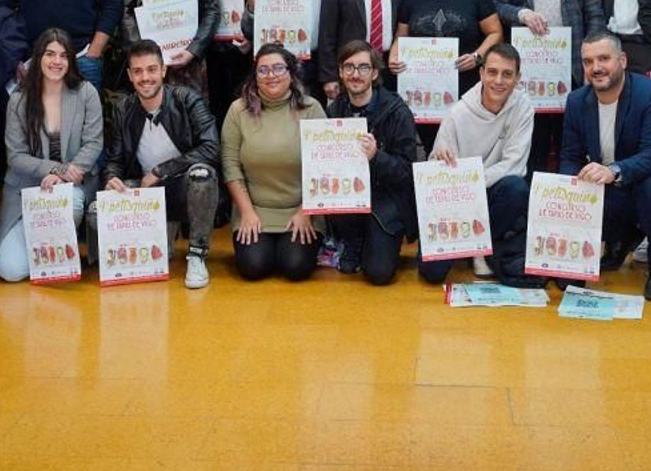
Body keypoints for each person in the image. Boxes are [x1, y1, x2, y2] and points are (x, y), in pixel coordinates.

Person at [557, 32, 651, 299]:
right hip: (611, 185)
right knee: (577, 185)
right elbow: (570, 156)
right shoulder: (577, 101)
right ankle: (617, 243)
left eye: (604, 58)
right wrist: (570, 188)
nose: (596, 68)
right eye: (588, 61)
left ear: (623, 60)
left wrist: (614, 170)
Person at [491, 0, 605, 169]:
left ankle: (568, 200)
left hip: (572, 70)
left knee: (572, 142)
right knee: (532, 143)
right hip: (528, 72)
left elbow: (595, 15)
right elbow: (497, 4)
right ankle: (533, 200)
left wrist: (593, 63)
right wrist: (522, 14)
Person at [104, 39, 222, 290]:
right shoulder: (123, 108)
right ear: (129, 75)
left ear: (163, 70)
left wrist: (161, 170)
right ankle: (157, 235)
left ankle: (197, 254)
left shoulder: (187, 99)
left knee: (203, 175)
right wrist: (111, 179)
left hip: (182, 187)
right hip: (146, 192)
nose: (145, 78)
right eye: (137, 71)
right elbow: (114, 159)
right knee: (98, 209)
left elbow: (211, 147)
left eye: (151, 69)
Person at [0, 29, 102, 284]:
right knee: (10, 270)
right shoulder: (18, 100)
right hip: (28, 191)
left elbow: (94, 142)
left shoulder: (86, 93)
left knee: (71, 203)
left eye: (64, 55)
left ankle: (60, 245)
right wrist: (55, 170)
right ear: (38, 57)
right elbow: (16, 157)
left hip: (74, 185)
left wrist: (65, 176)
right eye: (50, 53)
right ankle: (47, 247)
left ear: (71, 60)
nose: (57, 61)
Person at [429, 43, 542, 288]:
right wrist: (442, 165)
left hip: (494, 193)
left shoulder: (523, 108)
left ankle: (481, 246)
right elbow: (435, 172)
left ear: (518, 78)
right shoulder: (457, 113)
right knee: (432, 273)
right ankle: (472, 244)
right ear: (481, 73)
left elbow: (515, 167)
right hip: (459, 198)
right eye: (492, 72)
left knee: (516, 188)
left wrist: (471, 177)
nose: (498, 80)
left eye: (507, 74)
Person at [221, 43, 326, 282]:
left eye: (279, 68)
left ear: (291, 73)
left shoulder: (312, 109)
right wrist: (246, 212)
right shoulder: (238, 110)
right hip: (255, 209)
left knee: (296, 267)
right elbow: (229, 164)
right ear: (255, 76)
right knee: (253, 267)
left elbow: (324, 168)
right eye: (263, 70)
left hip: (301, 209)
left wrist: (306, 211)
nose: (271, 75)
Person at [323, 41, 426, 283]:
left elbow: (407, 171)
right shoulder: (334, 109)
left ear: (375, 73)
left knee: (379, 273)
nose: (355, 74)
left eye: (363, 68)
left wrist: (376, 156)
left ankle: (377, 237)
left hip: (387, 197)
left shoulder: (397, 111)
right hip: (349, 197)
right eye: (348, 67)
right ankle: (353, 240)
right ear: (340, 72)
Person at [391, 0, 501, 99]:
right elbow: (401, 35)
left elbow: (495, 33)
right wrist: (393, 56)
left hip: (467, 86)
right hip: (420, 90)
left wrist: (477, 57)